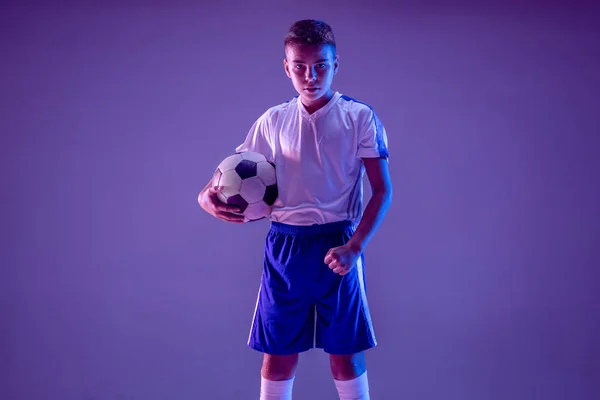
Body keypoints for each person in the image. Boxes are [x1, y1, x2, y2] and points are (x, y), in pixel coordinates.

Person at [197, 19, 392, 400]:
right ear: (286, 67)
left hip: (339, 243)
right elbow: (233, 170)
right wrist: (204, 195)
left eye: (321, 65)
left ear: (336, 65)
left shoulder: (359, 117)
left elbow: (382, 190)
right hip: (286, 246)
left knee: (346, 352)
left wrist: (356, 246)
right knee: (279, 351)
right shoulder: (273, 120)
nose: (310, 75)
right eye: (299, 66)